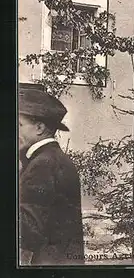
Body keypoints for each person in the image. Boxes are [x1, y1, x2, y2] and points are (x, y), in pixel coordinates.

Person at [18, 88, 84, 265]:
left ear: (39, 127)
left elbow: (28, 230)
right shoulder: (55, 159)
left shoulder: (42, 165)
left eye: (18, 125)